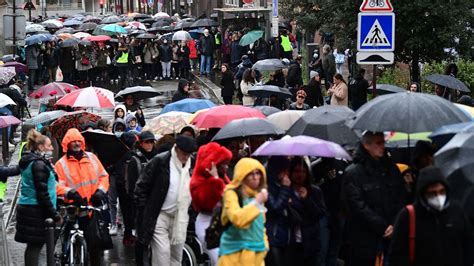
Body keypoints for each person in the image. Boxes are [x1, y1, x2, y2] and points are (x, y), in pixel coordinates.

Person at [343, 131, 406, 266]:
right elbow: (357, 206)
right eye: (378, 143)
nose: (383, 146)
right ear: (366, 145)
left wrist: (395, 224)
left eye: (383, 142)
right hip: (365, 240)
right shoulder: (353, 173)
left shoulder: (392, 169)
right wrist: (383, 227)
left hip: (391, 238)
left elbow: (401, 198)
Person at [388, 166, 473, 266]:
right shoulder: (408, 216)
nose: (438, 197)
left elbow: (468, 246)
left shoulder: (456, 211)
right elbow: (396, 256)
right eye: (432, 193)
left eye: (442, 191)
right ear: (423, 193)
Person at [134, 136, 198, 265]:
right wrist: (145, 210)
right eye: (184, 153)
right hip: (159, 215)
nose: (186, 157)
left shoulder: (192, 162)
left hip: (180, 216)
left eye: (189, 154)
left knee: (176, 256)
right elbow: (141, 187)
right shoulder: (160, 161)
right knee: (162, 254)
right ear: (176, 149)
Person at [54, 128, 109, 265]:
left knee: (95, 245)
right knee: (66, 240)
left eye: (79, 141)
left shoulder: (92, 158)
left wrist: (100, 192)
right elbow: (55, 185)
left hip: (90, 208)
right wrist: (69, 192)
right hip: (72, 208)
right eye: (73, 141)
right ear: (67, 144)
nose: (77, 144)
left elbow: (104, 176)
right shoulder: (61, 164)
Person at [15, 130, 59, 266]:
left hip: (30, 208)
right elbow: (42, 193)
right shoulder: (38, 164)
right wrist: (54, 214)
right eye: (49, 145)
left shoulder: (35, 162)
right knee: (35, 245)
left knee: (34, 245)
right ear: (40, 147)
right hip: (35, 210)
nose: (51, 148)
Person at [218, 157, 269, 266]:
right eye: (251, 174)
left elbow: (261, 225)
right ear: (242, 175)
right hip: (234, 254)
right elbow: (238, 219)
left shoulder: (258, 195)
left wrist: (264, 244)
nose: (255, 178)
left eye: (258, 173)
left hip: (257, 254)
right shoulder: (231, 193)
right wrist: (257, 202)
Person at [190, 142, 233, 265]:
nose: (226, 167)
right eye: (223, 164)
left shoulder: (222, 177)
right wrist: (215, 181)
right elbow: (208, 202)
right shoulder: (198, 182)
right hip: (208, 224)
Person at [287, 157, 326, 266]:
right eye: (297, 171)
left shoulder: (315, 191)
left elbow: (320, 213)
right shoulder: (286, 191)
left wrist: (306, 199)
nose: (300, 175)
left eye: (303, 171)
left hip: (310, 241)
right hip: (291, 241)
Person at [127, 131, 158, 265]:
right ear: (141, 143)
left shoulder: (157, 158)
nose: (149, 145)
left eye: (152, 142)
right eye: (147, 142)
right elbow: (131, 184)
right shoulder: (135, 160)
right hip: (141, 204)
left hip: (155, 202)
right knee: (141, 237)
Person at [265, 156, 292, 266]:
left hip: (286, 236)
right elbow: (275, 207)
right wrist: (285, 189)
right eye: (284, 170)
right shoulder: (267, 188)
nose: (287, 173)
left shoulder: (283, 185)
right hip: (273, 236)